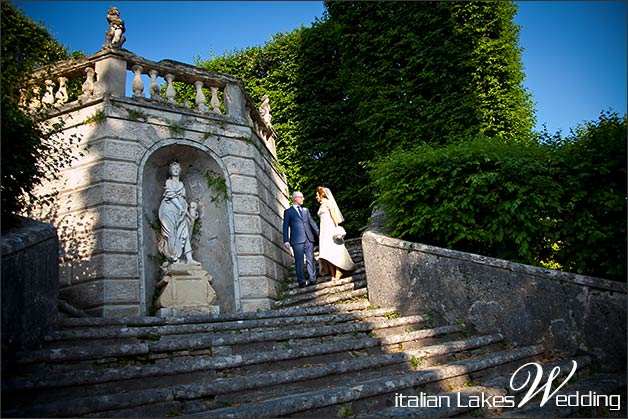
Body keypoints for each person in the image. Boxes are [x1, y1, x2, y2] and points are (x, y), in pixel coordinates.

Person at [157, 161, 199, 265]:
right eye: (173, 168)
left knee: (184, 232)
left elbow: (182, 198)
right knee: (172, 233)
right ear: (170, 171)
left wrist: (187, 211)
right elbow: (171, 195)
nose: (175, 170)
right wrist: (181, 208)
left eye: (177, 168)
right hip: (170, 209)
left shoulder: (181, 184)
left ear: (180, 170)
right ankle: (174, 258)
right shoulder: (169, 182)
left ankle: (189, 258)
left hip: (181, 210)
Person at [316, 186, 355, 280]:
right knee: (326, 252)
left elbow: (333, 215)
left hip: (330, 228)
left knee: (334, 249)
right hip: (323, 230)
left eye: (317, 194)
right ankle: (332, 273)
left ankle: (339, 270)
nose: (316, 197)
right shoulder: (321, 205)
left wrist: (337, 227)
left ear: (322, 194)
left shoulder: (328, 202)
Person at [283, 191, 319, 287]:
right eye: (301, 197)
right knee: (299, 261)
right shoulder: (288, 212)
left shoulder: (306, 210)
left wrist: (319, 234)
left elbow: (312, 223)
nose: (303, 199)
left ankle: (312, 279)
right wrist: (286, 240)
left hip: (309, 238)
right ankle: (301, 282)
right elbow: (285, 226)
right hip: (296, 240)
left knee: (310, 259)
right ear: (295, 199)